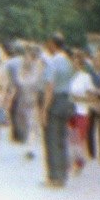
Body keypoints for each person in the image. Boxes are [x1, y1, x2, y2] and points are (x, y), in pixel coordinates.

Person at [41, 33, 76, 188]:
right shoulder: (68, 62)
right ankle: (63, 174)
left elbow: (50, 87)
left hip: (55, 101)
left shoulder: (52, 62)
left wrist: (44, 109)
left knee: (52, 139)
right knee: (62, 139)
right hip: (67, 101)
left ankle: (54, 176)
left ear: (52, 44)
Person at [68, 49, 99, 175]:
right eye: (73, 62)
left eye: (77, 62)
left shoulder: (85, 77)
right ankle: (72, 162)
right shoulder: (67, 77)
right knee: (71, 138)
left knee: (79, 138)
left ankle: (79, 162)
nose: (74, 65)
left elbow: (92, 96)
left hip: (81, 111)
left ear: (81, 64)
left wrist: (79, 99)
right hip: (69, 110)